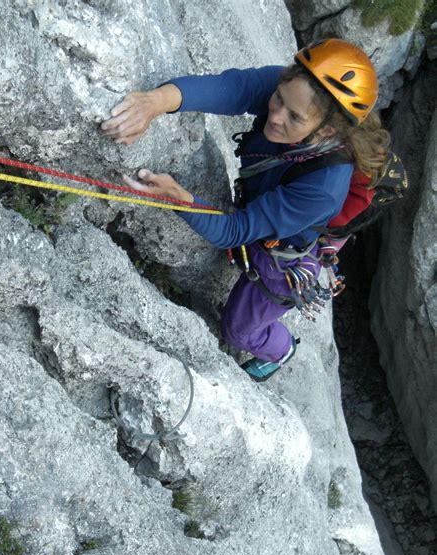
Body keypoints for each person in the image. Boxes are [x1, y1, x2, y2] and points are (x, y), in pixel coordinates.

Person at [101, 39, 389, 382]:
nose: (275, 116)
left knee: (238, 332)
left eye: (293, 117)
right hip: (266, 208)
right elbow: (232, 89)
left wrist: (179, 199)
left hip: (284, 256)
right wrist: (155, 102)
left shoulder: (324, 187)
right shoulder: (289, 91)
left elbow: (237, 230)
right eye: (278, 98)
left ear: (326, 130)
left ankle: (281, 349)